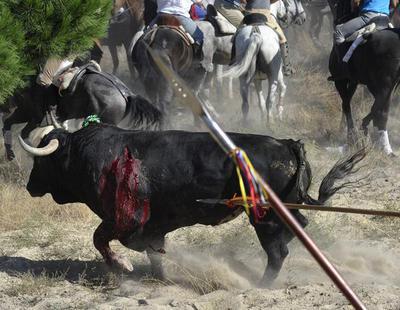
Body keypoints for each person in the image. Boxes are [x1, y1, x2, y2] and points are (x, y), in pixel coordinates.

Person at [244, 0, 295, 76]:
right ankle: (287, 67)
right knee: (282, 39)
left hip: (249, 14)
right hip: (265, 15)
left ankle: (234, 62)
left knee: (236, 35)